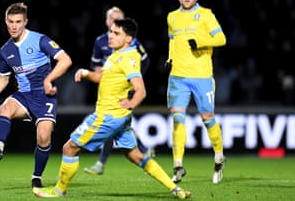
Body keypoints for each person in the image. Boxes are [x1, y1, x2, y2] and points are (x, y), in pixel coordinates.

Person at [34, 18, 191, 199]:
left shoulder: (128, 58)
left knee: (69, 148)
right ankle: (175, 189)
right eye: (111, 32)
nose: (111, 36)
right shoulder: (117, 55)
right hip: (120, 118)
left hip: (107, 116)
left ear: (129, 39)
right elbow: (103, 78)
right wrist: (86, 74)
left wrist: (132, 103)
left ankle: (58, 191)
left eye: (117, 33)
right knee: (137, 156)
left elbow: (140, 90)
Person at [0, 2, 72, 192]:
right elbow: (3, 80)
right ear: (5, 21)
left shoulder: (40, 40)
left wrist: (49, 79)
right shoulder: (5, 51)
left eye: (18, 22)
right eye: (10, 22)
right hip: (24, 95)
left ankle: (36, 177)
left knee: (44, 136)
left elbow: (66, 60)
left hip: (44, 96)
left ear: (25, 22)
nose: (14, 26)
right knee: (5, 108)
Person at [165, 0, 227, 184]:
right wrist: (170, 58)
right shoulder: (172, 17)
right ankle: (178, 165)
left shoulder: (206, 15)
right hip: (178, 77)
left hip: (201, 76)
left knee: (208, 118)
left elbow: (221, 39)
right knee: (177, 119)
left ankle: (219, 157)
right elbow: (172, 41)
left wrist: (200, 42)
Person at [84, 6, 154, 175]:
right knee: (119, 124)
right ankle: (144, 151)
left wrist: (132, 82)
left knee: (112, 122)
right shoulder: (100, 41)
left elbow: (145, 61)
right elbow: (97, 67)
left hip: (125, 89)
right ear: (106, 21)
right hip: (108, 89)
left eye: (117, 18)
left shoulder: (132, 42)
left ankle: (101, 163)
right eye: (111, 18)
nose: (113, 21)